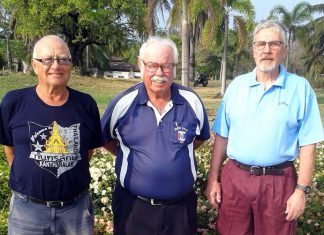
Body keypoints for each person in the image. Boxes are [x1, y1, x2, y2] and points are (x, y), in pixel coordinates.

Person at [205, 20, 324, 235]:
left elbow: (308, 144)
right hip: (236, 180)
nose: (266, 50)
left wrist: (301, 190)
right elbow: (222, 137)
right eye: (261, 44)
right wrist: (213, 178)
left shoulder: (300, 88)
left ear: (284, 50)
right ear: (253, 49)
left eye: (274, 44)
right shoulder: (237, 87)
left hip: (278, 183)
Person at [101, 36, 210, 235]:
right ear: (140, 66)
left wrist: (173, 154)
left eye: (166, 66)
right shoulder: (123, 103)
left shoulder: (191, 101)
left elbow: (200, 138)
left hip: (180, 210)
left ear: (174, 68)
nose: (159, 73)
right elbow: (105, 139)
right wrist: (131, 156)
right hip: (134, 208)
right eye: (152, 65)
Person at [0, 35, 103, 234]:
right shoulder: (14, 102)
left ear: (71, 65)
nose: (56, 65)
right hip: (27, 212)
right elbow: (10, 149)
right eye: (47, 59)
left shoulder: (86, 104)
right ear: (34, 65)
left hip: (75, 211)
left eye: (63, 59)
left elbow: (87, 151)